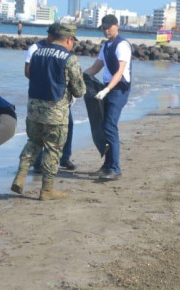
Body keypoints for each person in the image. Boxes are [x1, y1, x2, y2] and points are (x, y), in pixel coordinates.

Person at [12, 23, 85, 199]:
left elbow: (29, 74)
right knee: (53, 150)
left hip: (34, 109)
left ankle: (20, 177)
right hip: (56, 112)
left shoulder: (37, 53)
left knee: (33, 142)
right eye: (72, 41)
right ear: (68, 39)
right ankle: (46, 190)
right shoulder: (69, 58)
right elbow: (79, 90)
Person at [83, 14, 132, 180]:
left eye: (108, 27)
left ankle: (115, 168)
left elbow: (120, 72)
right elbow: (96, 67)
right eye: (103, 28)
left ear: (117, 25)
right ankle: (107, 166)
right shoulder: (106, 46)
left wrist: (107, 90)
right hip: (107, 88)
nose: (105, 30)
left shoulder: (122, 45)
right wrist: (80, 77)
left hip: (119, 89)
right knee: (103, 126)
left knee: (110, 126)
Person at [25, 24, 76, 171]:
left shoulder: (65, 50)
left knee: (68, 125)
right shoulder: (35, 49)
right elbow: (28, 72)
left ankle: (65, 158)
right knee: (39, 130)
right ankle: (38, 162)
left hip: (61, 96)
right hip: (41, 95)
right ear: (50, 37)